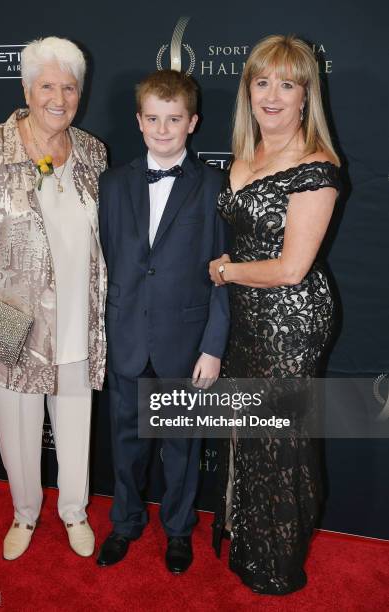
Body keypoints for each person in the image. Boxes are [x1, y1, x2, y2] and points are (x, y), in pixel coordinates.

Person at [0, 37, 107, 561]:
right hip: (10, 327)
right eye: (47, 86)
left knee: (76, 431)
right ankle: (24, 512)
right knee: (17, 433)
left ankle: (75, 511)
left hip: (80, 324)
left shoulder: (93, 153)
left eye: (69, 86)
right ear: (26, 89)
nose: (59, 97)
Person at [209, 34, 340, 594]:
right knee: (249, 432)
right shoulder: (245, 155)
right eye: (262, 82)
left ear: (306, 95)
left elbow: (290, 269)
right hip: (244, 318)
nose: (272, 95)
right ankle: (247, 538)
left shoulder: (318, 166)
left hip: (291, 321)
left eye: (286, 84)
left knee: (280, 440)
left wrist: (226, 272)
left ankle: (277, 562)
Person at [97, 70, 229, 573]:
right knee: (126, 445)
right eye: (153, 118)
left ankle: (178, 531)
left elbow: (223, 274)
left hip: (185, 343)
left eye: (174, 119)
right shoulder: (112, 184)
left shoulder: (214, 186)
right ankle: (126, 523)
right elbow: (105, 262)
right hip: (126, 338)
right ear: (138, 120)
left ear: (192, 123)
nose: (162, 128)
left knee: (180, 448)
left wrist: (213, 345)